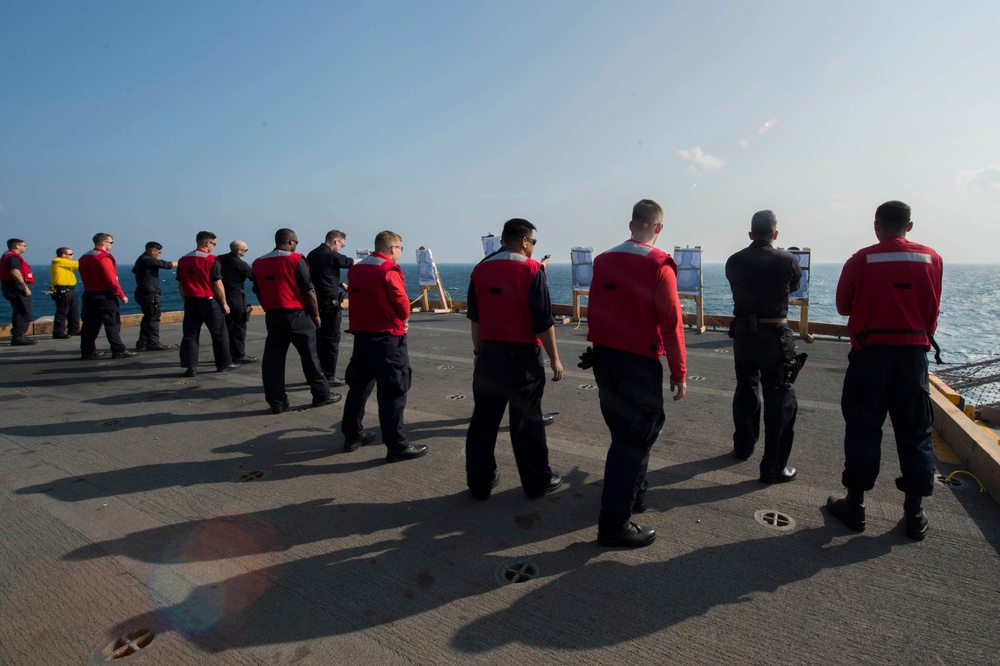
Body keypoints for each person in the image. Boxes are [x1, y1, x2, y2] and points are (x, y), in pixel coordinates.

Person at [827, 200, 943, 541]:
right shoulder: (931, 258)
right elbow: (932, 310)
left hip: (870, 356)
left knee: (863, 429)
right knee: (916, 431)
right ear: (910, 226)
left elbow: (843, 306)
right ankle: (915, 512)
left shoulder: (861, 259)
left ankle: (856, 505)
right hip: (913, 357)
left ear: (876, 226)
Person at [583, 200, 686, 548]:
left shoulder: (604, 260)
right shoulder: (660, 265)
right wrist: (679, 371)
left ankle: (635, 494)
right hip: (637, 364)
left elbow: (593, 306)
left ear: (631, 224)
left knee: (624, 433)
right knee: (634, 439)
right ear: (658, 228)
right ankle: (614, 525)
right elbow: (671, 323)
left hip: (605, 359)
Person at [465, 218, 563, 501]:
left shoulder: (480, 269)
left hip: (489, 355)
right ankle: (536, 482)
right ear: (523, 241)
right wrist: (554, 358)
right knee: (526, 422)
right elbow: (544, 322)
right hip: (522, 358)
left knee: (484, 420)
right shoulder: (532, 270)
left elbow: (476, 319)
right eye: (533, 242)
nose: (533, 248)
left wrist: (477, 352)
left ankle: (480, 483)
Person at [725, 210, 803, 484]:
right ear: (776, 234)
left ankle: (743, 446)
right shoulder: (787, 259)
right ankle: (773, 466)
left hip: (744, 333)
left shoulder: (734, 260)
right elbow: (793, 285)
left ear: (750, 234)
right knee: (780, 396)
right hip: (775, 333)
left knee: (746, 387)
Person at [340, 230, 426, 462]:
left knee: (359, 387)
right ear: (392, 249)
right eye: (400, 248)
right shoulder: (388, 269)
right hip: (387, 338)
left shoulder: (356, 269)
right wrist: (405, 320)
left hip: (362, 337)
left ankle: (352, 434)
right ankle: (397, 445)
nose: (399, 252)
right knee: (393, 391)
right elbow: (400, 300)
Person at [252, 229, 341, 414]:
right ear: (291, 241)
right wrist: (316, 315)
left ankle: (277, 401)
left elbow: (258, 290)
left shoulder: (258, 262)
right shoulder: (295, 259)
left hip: (273, 315)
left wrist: (268, 307)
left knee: (273, 361)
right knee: (310, 357)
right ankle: (321, 394)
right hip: (296, 314)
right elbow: (308, 290)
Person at [177, 231, 237, 377]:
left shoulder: (183, 260)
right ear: (206, 243)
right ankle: (223, 363)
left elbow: (181, 284)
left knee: (190, 335)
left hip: (191, 301)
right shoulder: (211, 260)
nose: (213, 247)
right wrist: (224, 303)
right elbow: (217, 283)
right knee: (219, 334)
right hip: (209, 301)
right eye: (213, 244)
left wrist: (186, 299)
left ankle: (190, 367)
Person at [306, 230, 354, 385]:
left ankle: (317, 372)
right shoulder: (331, 255)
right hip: (329, 304)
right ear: (336, 241)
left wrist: (339, 283)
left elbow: (321, 275)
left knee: (317, 339)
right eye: (341, 244)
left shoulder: (312, 254)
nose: (341, 248)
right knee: (331, 339)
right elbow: (349, 262)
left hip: (315, 301)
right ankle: (329, 375)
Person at [78, 233, 135, 360]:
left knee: (90, 324)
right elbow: (111, 279)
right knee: (112, 323)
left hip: (89, 294)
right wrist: (121, 295)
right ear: (103, 243)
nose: (112, 245)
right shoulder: (103, 258)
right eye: (111, 242)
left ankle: (87, 351)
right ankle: (118, 349)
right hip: (104, 296)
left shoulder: (84, 257)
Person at [132, 241, 177, 351]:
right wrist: (182, 262)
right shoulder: (147, 260)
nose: (159, 254)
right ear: (152, 250)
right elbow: (166, 265)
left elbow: (134, 270)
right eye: (159, 252)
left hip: (142, 292)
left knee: (148, 317)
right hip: (149, 293)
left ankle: (142, 342)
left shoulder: (141, 260)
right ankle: (153, 342)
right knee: (153, 318)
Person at [219, 240, 257, 364]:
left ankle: (227, 355)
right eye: (245, 250)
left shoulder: (219, 259)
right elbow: (253, 277)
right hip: (236, 298)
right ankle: (239, 354)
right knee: (240, 327)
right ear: (238, 251)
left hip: (221, 297)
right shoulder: (241, 264)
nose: (246, 252)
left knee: (226, 327)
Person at [1, 239, 37, 346]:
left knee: (19, 311)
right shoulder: (12, 257)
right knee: (25, 312)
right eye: (24, 245)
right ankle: (18, 336)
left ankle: (18, 334)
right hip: (16, 287)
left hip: (10, 286)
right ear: (17, 246)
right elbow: (15, 272)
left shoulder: (7, 255)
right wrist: (24, 287)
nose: (25, 247)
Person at [49, 247, 81, 339]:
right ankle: (58, 332)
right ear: (63, 255)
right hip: (62, 289)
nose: (73, 256)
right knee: (62, 310)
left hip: (69, 289)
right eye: (71, 254)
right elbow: (79, 265)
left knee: (74, 310)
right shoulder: (59, 261)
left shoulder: (65, 263)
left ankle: (74, 329)